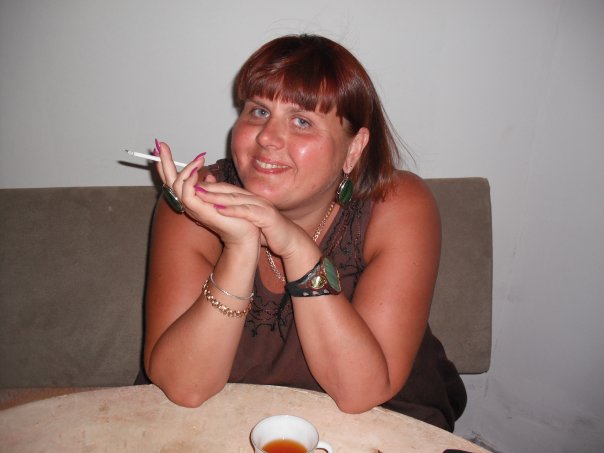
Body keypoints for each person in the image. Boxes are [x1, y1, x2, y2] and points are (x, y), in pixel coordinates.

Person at [140, 34, 466, 431]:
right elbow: (185, 387)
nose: (267, 137)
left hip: (378, 423)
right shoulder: (195, 202)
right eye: (258, 111)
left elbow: (358, 393)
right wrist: (240, 247)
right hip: (222, 422)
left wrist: (295, 248)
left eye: (302, 121)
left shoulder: (398, 205)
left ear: (354, 148)